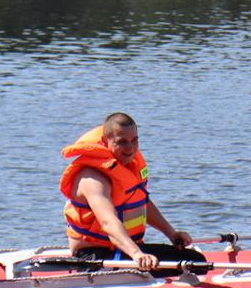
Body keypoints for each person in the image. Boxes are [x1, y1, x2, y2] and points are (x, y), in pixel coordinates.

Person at [61, 112, 197, 272]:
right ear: (105, 141)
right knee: (191, 267)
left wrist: (172, 233)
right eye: (122, 142)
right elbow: (107, 222)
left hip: (126, 249)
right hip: (94, 256)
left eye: (134, 140)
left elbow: (140, 202)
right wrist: (137, 254)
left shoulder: (126, 165)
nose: (130, 148)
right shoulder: (92, 179)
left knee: (195, 261)